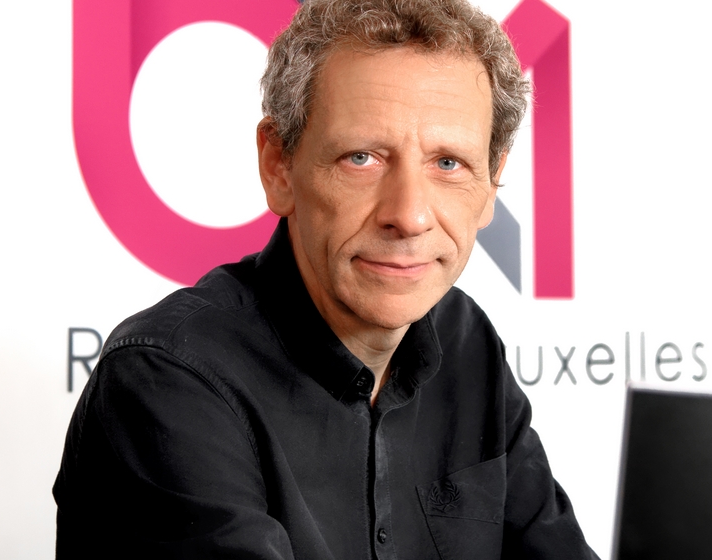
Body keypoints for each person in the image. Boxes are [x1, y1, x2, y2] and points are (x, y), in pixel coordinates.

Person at [53, 0, 598, 558]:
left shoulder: (467, 341)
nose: (409, 215)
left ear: (491, 183)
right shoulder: (169, 380)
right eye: (362, 158)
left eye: (448, 163)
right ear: (279, 166)